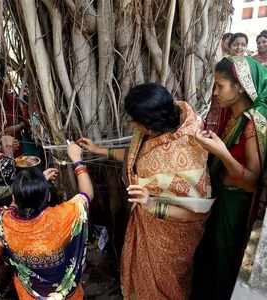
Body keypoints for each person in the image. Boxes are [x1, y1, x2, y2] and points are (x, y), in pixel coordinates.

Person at [78, 83, 213, 299]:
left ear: (149, 125)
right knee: (143, 277)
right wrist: (98, 149)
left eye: (134, 120)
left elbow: (198, 211)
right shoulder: (153, 133)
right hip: (145, 223)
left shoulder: (186, 153)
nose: (131, 123)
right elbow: (136, 156)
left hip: (171, 237)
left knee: (168, 286)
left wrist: (152, 205)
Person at [191, 56, 267, 300]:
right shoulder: (229, 116)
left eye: (220, 86)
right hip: (220, 199)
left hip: (236, 206)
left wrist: (221, 153)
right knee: (211, 259)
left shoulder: (252, 124)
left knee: (225, 262)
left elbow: (250, 181)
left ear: (241, 86)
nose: (215, 93)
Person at [0, 142, 94, 299]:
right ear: (47, 196)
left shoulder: (5, 220)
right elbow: (87, 194)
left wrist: (34, 185)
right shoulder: (63, 217)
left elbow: (13, 204)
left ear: (15, 196)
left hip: (29, 293)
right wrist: (77, 160)